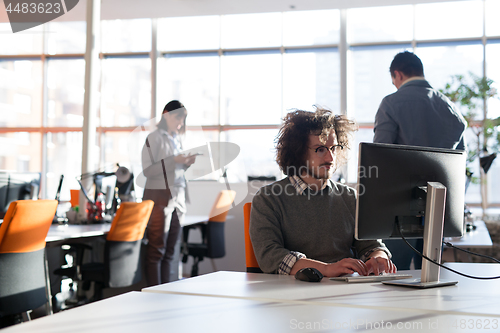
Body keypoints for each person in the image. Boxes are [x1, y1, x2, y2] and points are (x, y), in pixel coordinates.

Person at [250, 107, 396, 277]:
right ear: (298, 151)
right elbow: (270, 256)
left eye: (333, 148)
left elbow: (371, 245)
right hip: (294, 291)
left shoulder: (350, 197)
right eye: (320, 149)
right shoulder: (268, 198)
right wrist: (326, 269)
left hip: (345, 291)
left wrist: (378, 257)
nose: (330, 158)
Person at [374, 51, 467, 270]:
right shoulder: (451, 109)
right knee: (432, 274)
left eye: (393, 81)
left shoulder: (391, 103)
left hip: (399, 211)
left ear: (397, 74)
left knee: (395, 277)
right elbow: (459, 164)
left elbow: (379, 158)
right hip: (439, 211)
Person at [141, 100, 198, 286]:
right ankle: (153, 294)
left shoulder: (177, 139)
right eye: (177, 119)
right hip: (160, 198)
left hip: (178, 198)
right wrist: (175, 160)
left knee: (171, 252)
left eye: (183, 120)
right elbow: (148, 171)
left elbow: (175, 171)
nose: (180, 123)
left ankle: (165, 293)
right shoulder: (154, 138)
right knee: (156, 250)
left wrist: (185, 164)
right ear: (166, 115)